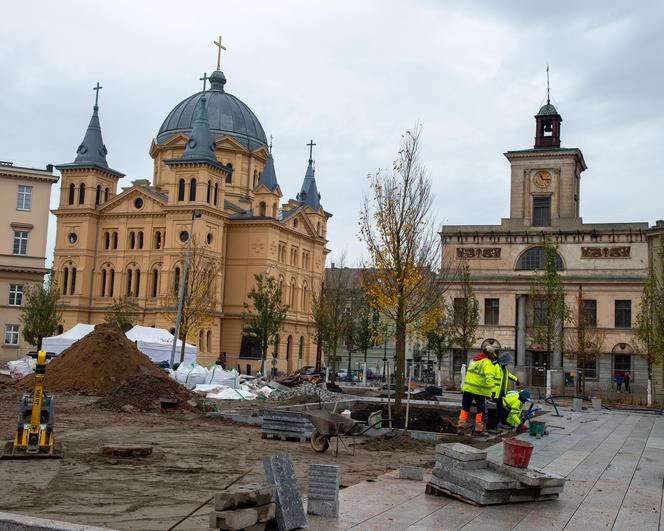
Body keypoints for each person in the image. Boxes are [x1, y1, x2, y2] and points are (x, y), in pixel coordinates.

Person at [457, 346, 497, 434]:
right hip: (479, 391)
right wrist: (493, 390)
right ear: (489, 354)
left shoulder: (473, 360)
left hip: (468, 389)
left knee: (465, 408)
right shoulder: (486, 362)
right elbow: (489, 377)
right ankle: (478, 429)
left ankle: (461, 426)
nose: (493, 357)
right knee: (480, 410)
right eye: (492, 355)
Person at [487, 352, 520, 430]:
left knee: (500, 410)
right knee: (493, 411)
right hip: (493, 394)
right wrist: (492, 392)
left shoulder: (504, 368)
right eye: (507, 362)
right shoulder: (495, 366)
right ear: (504, 360)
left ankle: (494, 425)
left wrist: (516, 379)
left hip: (500, 393)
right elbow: (489, 379)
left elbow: (508, 375)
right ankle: (490, 427)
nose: (508, 364)